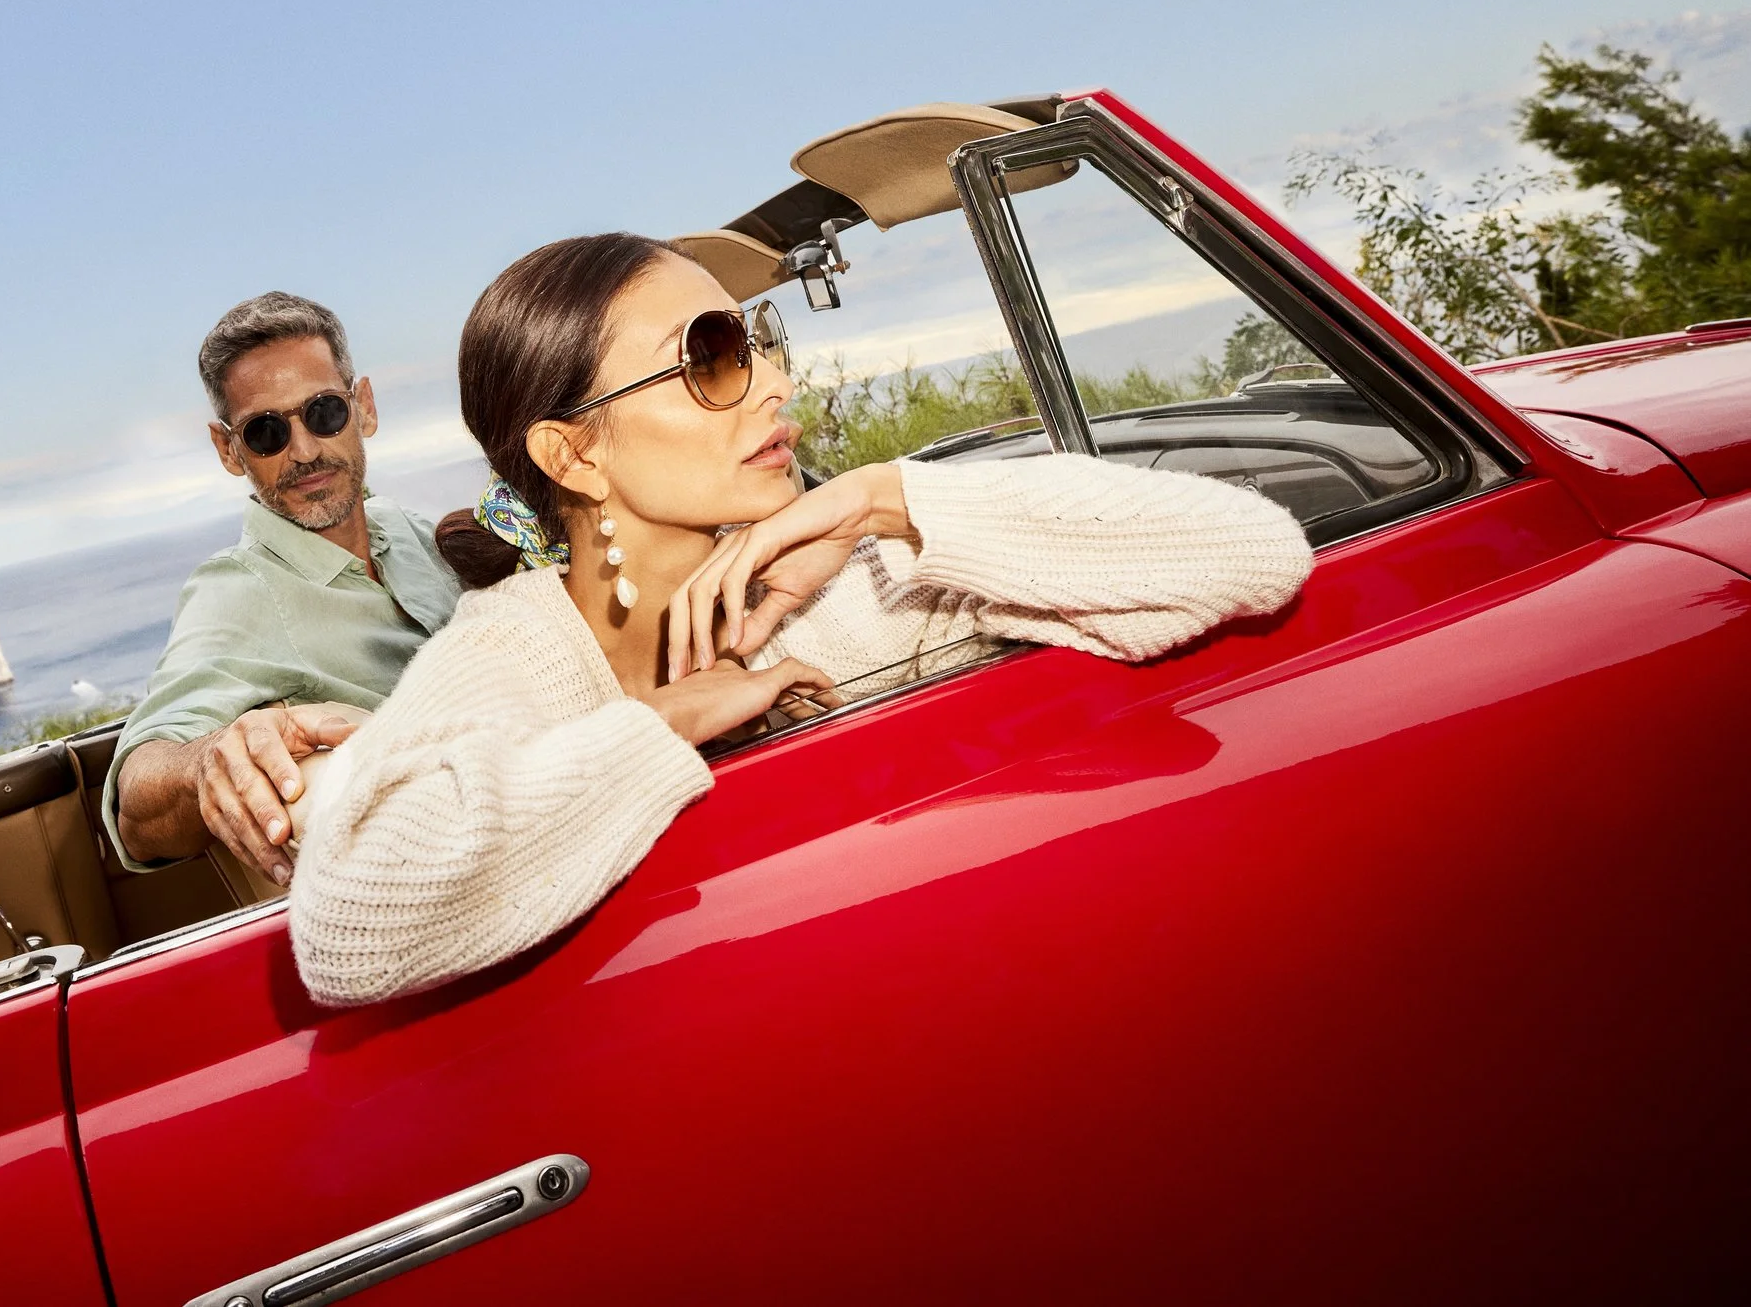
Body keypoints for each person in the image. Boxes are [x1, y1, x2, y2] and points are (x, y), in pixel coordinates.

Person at [287, 232, 1313, 1007]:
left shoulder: (868, 581)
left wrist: (881, 498)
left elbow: (1253, 556)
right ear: (574, 455)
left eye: (759, 340)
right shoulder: (511, 648)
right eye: (712, 355)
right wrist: (665, 720)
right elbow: (348, 930)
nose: (776, 381)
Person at [107, 292, 461, 888]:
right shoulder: (236, 591)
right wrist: (211, 760)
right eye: (266, 432)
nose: (303, 451)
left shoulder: (413, 531)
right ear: (229, 450)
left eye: (324, 412)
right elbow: (137, 806)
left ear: (364, 408)